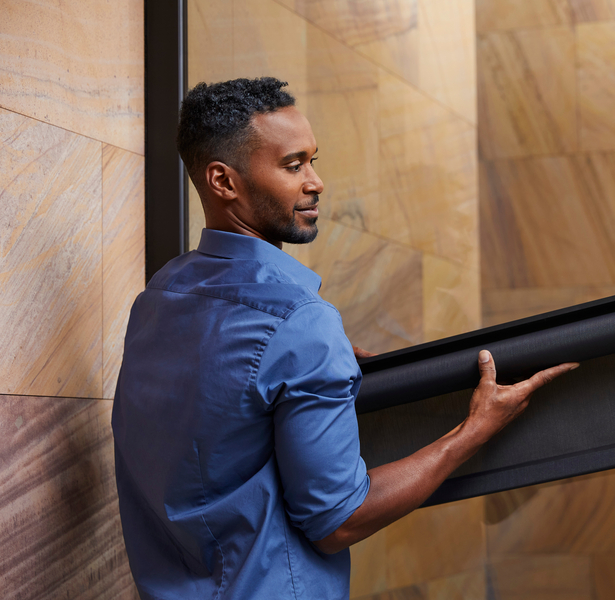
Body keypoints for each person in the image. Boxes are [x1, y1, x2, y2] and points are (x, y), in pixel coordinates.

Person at [112, 77, 578, 600]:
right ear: (223, 181)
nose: (316, 182)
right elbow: (338, 522)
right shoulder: (297, 323)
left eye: (313, 160)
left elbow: (214, 419)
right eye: (294, 165)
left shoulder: (160, 297)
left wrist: (303, 357)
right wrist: (472, 431)